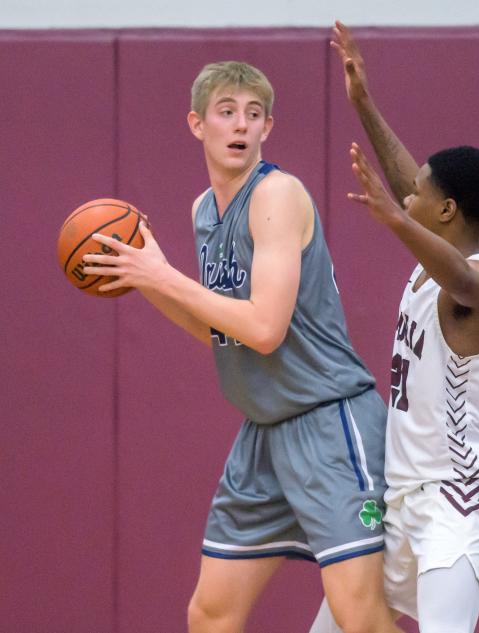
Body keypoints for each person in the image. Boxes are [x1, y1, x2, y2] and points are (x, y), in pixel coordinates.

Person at [82, 61, 400, 633]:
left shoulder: (278, 195)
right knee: (210, 614)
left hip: (329, 422)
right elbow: (217, 328)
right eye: (226, 112)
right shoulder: (206, 210)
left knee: (361, 618)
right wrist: (145, 280)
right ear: (197, 124)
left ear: (267, 128)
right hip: (264, 432)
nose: (241, 125)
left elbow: (263, 329)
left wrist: (162, 275)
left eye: (253, 115)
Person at [310, 22, 479, 633]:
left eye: (419, 197)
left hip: (458, 496)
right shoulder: (437, 240)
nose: (406, 199)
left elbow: (462, 278)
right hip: (401, 499)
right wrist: (363, 103)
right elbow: (410, 184)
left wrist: (393, 223)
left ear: (447, 212)